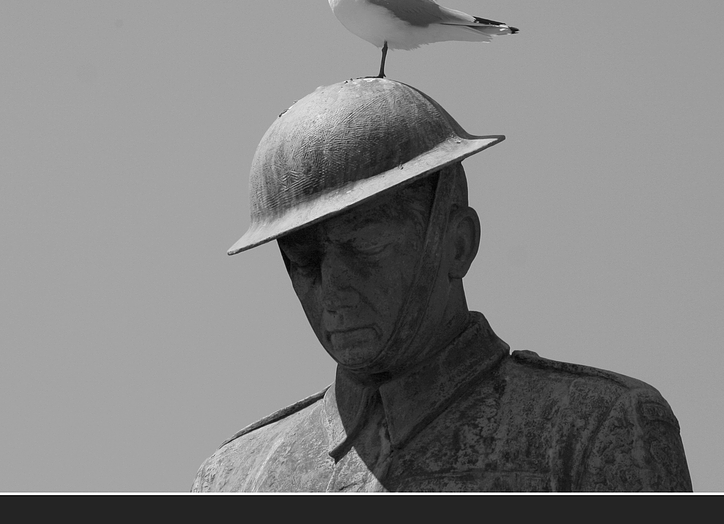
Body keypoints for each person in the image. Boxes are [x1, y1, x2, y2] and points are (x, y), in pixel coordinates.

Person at [193, 78, 692, 493]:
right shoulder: (235, 480)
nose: (333, 287)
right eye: (303, 261)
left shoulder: (592, 429)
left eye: (365, 245)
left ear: (458, 244)